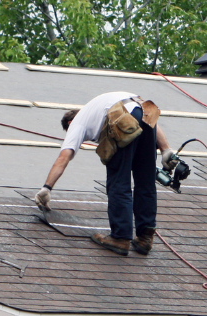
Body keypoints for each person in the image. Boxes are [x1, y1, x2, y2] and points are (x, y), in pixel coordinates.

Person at [35, 91, 178, 256]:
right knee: (145, 179)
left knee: (119, 181)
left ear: (69, 122)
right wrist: (166, 149)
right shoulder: (98, 107)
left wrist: (47, 188)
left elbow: (64, 157)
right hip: (144, 111)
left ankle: (120, 238)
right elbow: (144, 117)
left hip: (123, 119)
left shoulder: (77, 123)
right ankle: (145, 238)